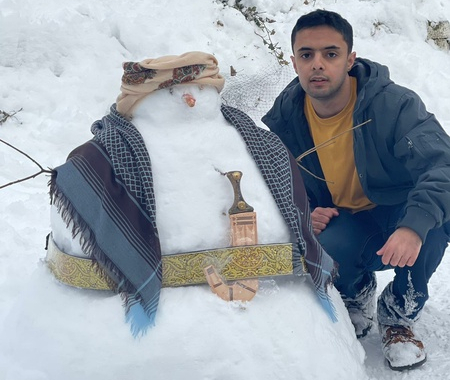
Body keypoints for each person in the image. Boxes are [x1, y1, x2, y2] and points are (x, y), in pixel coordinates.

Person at [262, 9, 450, 371]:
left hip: (398, 213)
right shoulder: (286, 118)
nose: (318, 64)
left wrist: (413, 226)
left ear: (350, 60)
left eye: (330, 54)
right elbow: (273, 179)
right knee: (322, 240)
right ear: (294, 61)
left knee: (434, 222)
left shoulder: (392, 105)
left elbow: (441, 164)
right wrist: (300, 210)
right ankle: (354, 294)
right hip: (347, 219)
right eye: (307, 55)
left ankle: (398, 314)